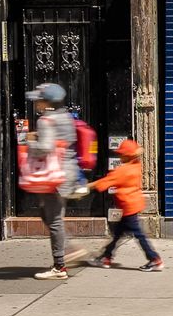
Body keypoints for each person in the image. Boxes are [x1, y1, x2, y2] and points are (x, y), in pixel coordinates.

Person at [15, 81, 86, 276]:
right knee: (49, 216)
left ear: (47, 102)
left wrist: (30, 142)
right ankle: (70, 249)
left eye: (39, 100)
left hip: (53, 175)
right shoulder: (66, 117)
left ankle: (59, 266)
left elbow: (45, 148)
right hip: (67, 172)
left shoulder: (45, 121)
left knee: (53, 219)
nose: (36, 104)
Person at [91, 134, 164, 269]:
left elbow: (104, 182)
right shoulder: (135, 165)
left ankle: (154, 258)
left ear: (126, 156)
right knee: (118, 234)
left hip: (128, 206)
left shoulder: (123, 170)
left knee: (138, 235)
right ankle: (106, 257)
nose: (119, 157)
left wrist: (87, 186)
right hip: (133, 204)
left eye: (121, 154)